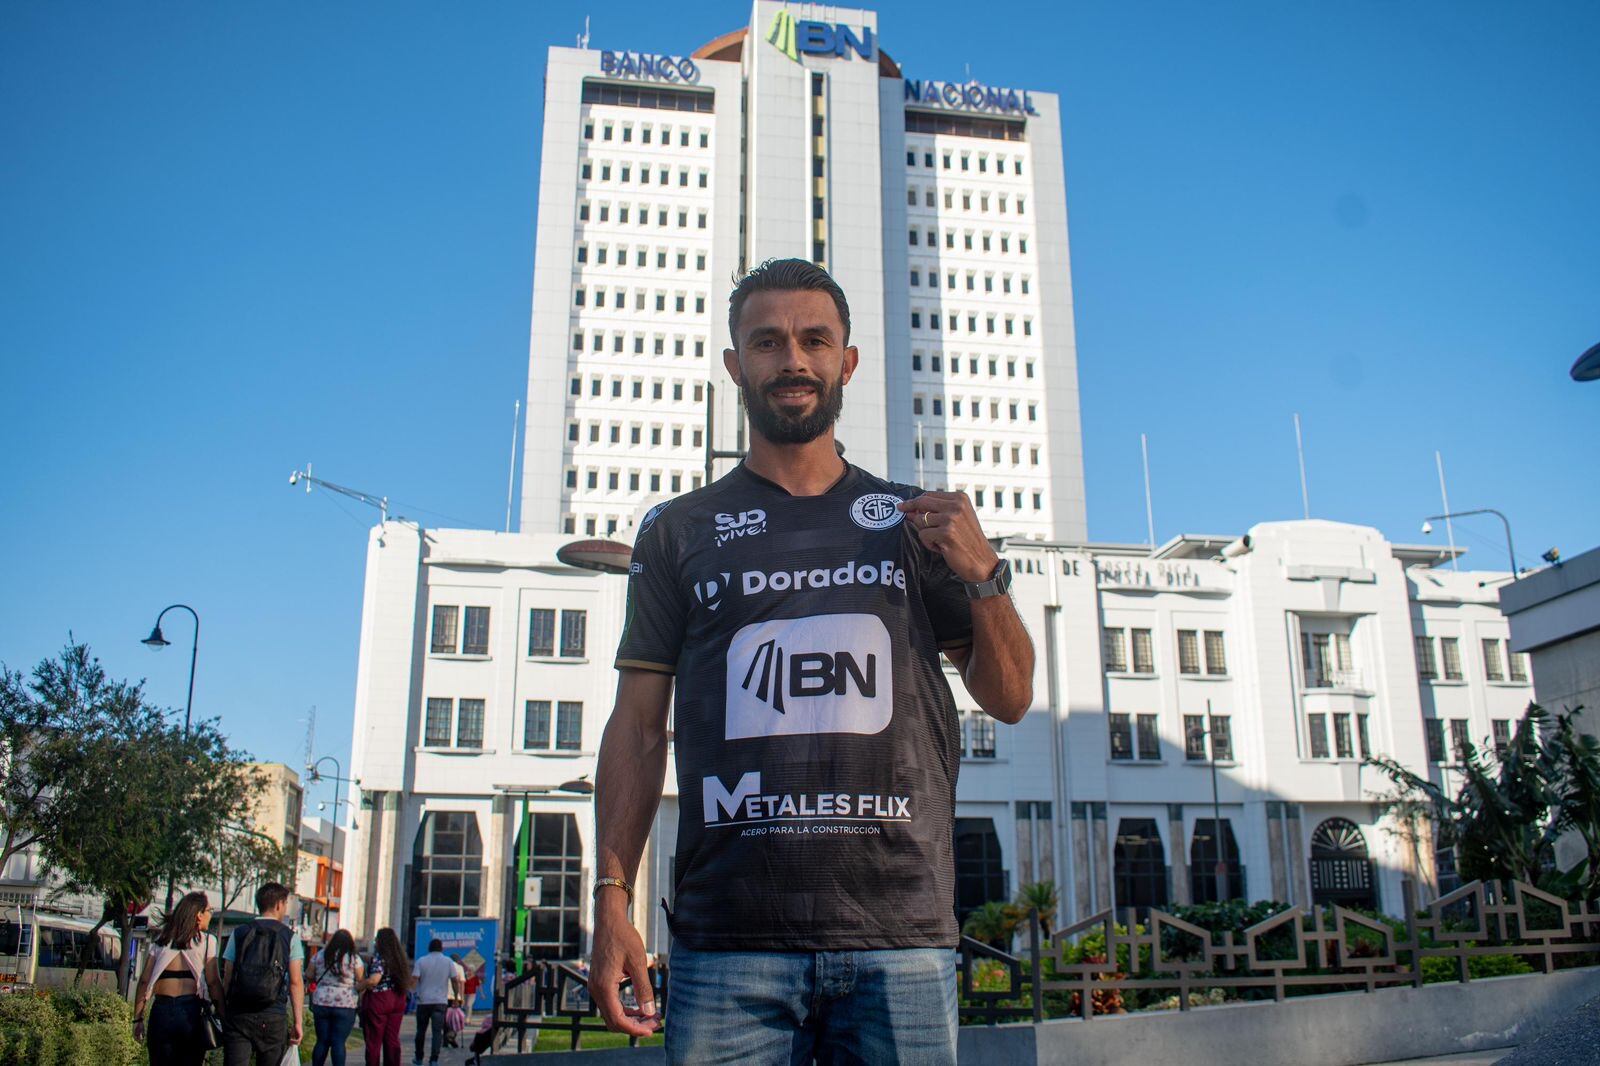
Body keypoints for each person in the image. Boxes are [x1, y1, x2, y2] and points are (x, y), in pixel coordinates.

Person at [591, 259, 1034, 1065]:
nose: (792, 358)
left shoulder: (910, 523)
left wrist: (986, 576)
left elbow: (1007, 698)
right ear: (736, 365)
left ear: (846, 363)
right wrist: (609, 899)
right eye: (768, 341)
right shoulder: (676, 532)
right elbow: (637, 728)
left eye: (814, 339)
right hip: (728, 944)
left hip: (899, 938)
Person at [132, 891, 223, 1065]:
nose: (211, 915)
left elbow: (144, 981)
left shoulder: (161, 940)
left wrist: (137, 1018)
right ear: (199, 915)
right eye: (210, 910)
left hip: (161, 1012)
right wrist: (222, 1015)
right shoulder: (207, 941)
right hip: (191, 1013)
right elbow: (213, 982)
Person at [221, 881, 306, 1065]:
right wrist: (298, 1022)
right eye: (285, 904)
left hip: (239, 1015)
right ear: (278, 905)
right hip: (273, 1015)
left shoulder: (239, 933)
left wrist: (224, 1009)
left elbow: (227, 976)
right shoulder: (290, 937)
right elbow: (295, 982)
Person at [308, 929, 365, 1066]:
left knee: (322, 1041)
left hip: (321, 1001)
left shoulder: (320, 955)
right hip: (346, 1004)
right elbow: (361, 981)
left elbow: (309, 974)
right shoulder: (354, 959)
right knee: (338, 1042)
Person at [357, 928, 410, 1066]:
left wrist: (359, 986)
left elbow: (374, 979)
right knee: (392, 1039)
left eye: (376, 940)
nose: (375, 942)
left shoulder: (379, 957)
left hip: (379, 1000)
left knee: (374, 1040)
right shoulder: (399, 959)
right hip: (398, 998)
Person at [411, 938, 462, 1066]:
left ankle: (418, 1057)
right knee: (437, 1032)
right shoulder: (448, 962)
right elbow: (455, 981)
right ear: (442, 948)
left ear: (429, 948)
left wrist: (412, 993)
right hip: (440, 1001)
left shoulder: (421, 961)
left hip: (423, 1001)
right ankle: (434, 1059)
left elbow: (414, 979)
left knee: (421, 1031)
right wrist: (456, 997)